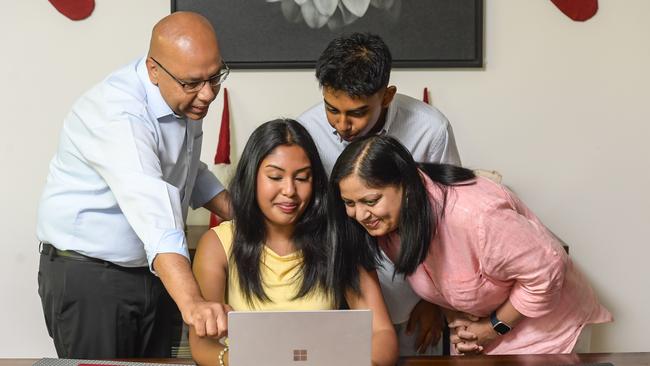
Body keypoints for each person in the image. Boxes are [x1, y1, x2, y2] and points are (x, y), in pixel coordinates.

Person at [36, 12, 233, 358]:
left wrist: (245, 214)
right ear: (154, 70)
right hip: (90, 277)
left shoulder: (184, 96)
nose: (207, 94)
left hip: (152, 273)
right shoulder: (120, 114)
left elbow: (186, 168)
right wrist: (194, 304)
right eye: (192, 83)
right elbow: (155, 214)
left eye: (214, 77)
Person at [328, 135, 613, 354]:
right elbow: (448, 280)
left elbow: (549, 269)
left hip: (548, 335)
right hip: (485, 335)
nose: (360, 214)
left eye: (370, 200)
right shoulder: (387, 223)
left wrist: (493, 328)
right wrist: (465, 328)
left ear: (406, 184)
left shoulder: (476, 216)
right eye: (349, 203)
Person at [298, 32, 460, 355]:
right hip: (336, 291)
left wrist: (436, 301)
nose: (342, 125)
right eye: (332, 109)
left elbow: (448, 223)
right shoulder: (308, 129)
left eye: (356, 113)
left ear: (387, 96)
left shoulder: (430, 130)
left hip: (413, 297)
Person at [189, 119, 398, 366]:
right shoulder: (217, 244)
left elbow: (381, 332)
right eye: (275, 177)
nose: (289, 190)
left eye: (302, 178)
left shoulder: (338, 238)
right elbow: (202, 345)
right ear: (252, 177)